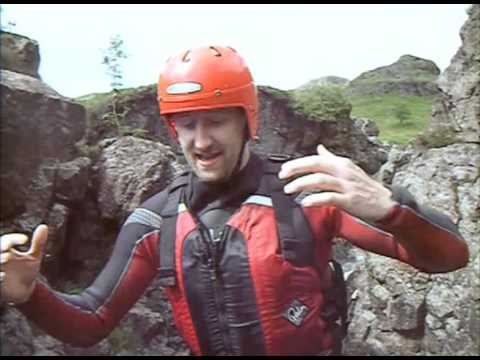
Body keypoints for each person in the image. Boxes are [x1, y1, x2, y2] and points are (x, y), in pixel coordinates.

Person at [0, 45, 469, 356]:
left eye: (216, 121)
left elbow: (449, 257)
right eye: (187, 124)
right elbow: (92, 321)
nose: (201, 141)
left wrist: (391, 208)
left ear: (247, 121)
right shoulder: (155, 221)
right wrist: (29, 295)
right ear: (172, 129)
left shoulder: (305, 193)